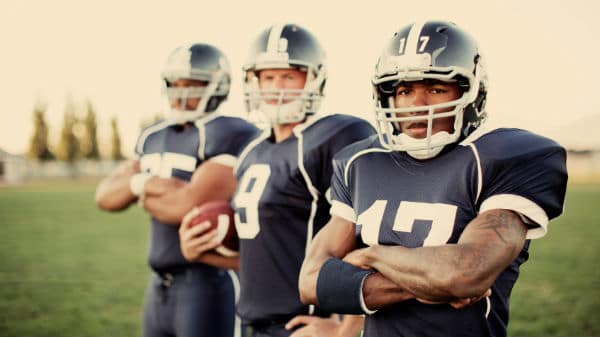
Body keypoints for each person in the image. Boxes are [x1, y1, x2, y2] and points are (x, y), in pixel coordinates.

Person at [298, 20, 568, 337]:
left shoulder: (506, 155)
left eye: (436, 89)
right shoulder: (360, 161)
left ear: (471, 92)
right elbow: (311, 281)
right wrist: (429, 283)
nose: (417, 105)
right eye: (404, 90)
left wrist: (371, 255)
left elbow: (465, 274)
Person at [179, 23, 377, 337]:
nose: (277, 87)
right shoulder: (251, 151)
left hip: (302, 324)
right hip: (251, 324)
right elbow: (265, 259)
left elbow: (370, 237)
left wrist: (346, 327)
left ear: (314, 79)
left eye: (289, 76)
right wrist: (202, 253)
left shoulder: (335, 136)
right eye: (268, 77)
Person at [95, 43, 259, 337]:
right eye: (176, 84)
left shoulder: (229, 132)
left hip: (207, 280)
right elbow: (105, 196)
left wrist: (139, 191)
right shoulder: (153, 135)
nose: (182, 93)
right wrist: (142, 183)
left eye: (193, 85)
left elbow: (187, 205)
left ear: (217, 87)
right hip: (159, 284)